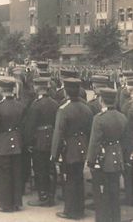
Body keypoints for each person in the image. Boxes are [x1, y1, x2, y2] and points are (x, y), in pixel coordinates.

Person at [51, 78, 93, 219]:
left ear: (65, 91)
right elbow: (89, 130)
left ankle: (70, 210)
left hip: (69, 148)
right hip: (82, 146)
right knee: (78, 178)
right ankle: (79, 209)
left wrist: (54, 155)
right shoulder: (86, 108)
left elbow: (58, 133)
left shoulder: (63, 109)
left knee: (69, 179)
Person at [86, 88, 129, 222]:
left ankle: (103, 218)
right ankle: (115, 217)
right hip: (118, 158)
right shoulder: (122, 117)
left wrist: (91, 161)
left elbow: (94, 143)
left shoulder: (99, 119)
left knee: (102, 193)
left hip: (103, 159)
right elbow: (126, 139)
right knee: (114, 191)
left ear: (101, 100)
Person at [0, 77, 25, 212]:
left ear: (2, 90)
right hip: (18, 142)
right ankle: (16, 202)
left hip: (3, 143)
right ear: (12, 89)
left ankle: (5, 204)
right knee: (16, 173)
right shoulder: (20, 105)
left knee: (4, 175)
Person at [25, 77, 59, 207]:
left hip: (39, 139)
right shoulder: (54, 103)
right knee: (51, 168)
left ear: (37, 88)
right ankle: (51, 195)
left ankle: (43, 196)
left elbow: (30, 126)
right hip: (52, 137)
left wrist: (28, 142)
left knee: (40, 168)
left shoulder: (35, 105)